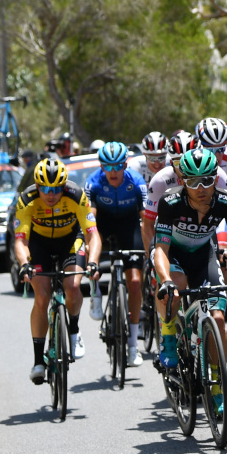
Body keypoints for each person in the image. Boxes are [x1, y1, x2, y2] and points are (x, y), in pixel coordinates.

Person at [153, 149, 227, 417]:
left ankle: (218, 388)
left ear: (215, 179)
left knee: (218, 318)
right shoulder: (170, 202)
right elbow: (159, 249)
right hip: (172, 255)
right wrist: (165, 280)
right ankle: (169, 335)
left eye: (207, 180)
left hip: (203, 255)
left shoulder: (226, 202)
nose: (201, 188)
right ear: (182, 180)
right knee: (175, 286)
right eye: (193, 181)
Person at [14, 157, 101, 383]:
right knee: (41, 297)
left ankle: (73, 330)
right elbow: (21, 240)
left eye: (55, 189)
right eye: (45, 188)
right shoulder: (27, 200)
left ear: (64, 187)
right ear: (37, 186)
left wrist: (93, 262)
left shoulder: (76, 195)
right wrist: (24, 264)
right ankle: (38, 361)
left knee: (73, 286)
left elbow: (92, 234)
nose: (50, 194)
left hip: (69, 241)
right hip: (39, 245)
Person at [84, 141, 147, 366]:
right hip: (103, 223)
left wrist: (151, 247)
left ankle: (132, 345)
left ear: (125, 165)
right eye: (107, 166)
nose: (112, 171)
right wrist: (90, 244)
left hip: (129, 225)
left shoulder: (137, 182)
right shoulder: (93, 183)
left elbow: (146, 220)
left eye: (117, 166)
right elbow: (89, 219)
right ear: (101, 166)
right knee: (92, 246)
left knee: (135, 281)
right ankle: (95, 294)